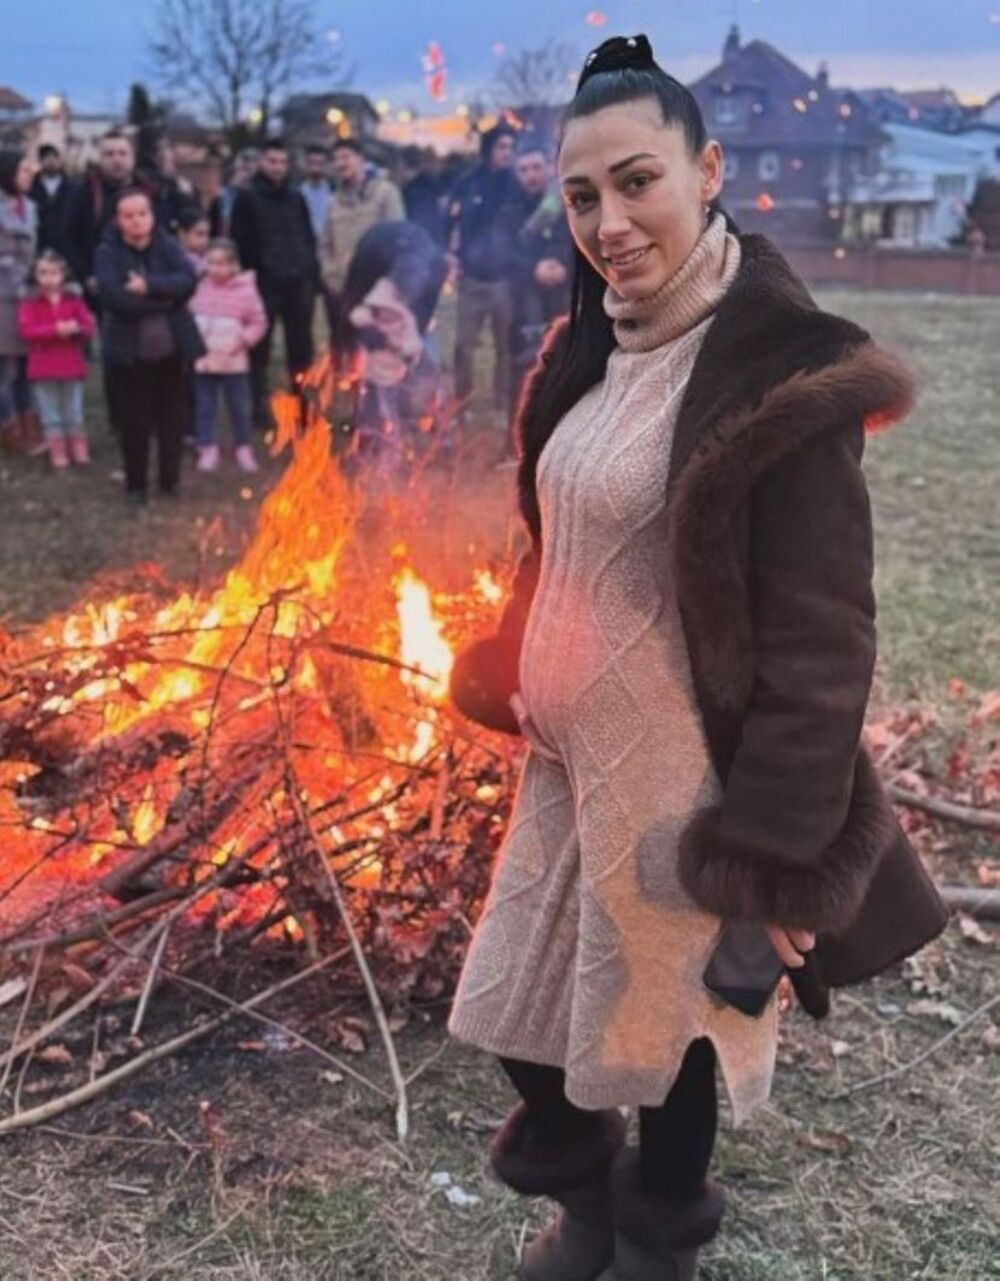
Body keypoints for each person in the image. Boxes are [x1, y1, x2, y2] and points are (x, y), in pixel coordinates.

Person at [446, 35, 947, 1281]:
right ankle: (586, 1197)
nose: (608, 224)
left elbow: (824, 644)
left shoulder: (780, 376)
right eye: (581, 197)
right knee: (518, 1011)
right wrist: (513, 658)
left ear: (708, 170)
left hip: (683, 787)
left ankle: (650, 1236)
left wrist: (769, 864)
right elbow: (560, 539)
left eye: (637, 182)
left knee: (663, 1042)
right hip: (566, 771)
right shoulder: (592, 348)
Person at [95, 188, 204, 504]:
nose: (136, 221)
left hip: (173, 351)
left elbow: (188, 281)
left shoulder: (167, 245)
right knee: (135, 422)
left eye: (142, 214)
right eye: (128, 216)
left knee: (173, 420)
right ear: (117, 220)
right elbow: (115, 297)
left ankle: (170, 481)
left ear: (152, 216)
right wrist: (166, 301)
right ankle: (136, 485)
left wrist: (150, 286)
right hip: (130, 355)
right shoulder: (107, 252)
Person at [337, 220, 448, 481]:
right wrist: (367, 334)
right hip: (373, 324)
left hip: (404, 334)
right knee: (370, 386)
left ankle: (428, 427)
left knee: (422, 374)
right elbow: (352, 306)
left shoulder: (435, 266)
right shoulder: (371, 257)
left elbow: (423, 314)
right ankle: (366, 436)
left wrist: (406, 344)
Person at [231, 138, 316, 429]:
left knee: (301, 349)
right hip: (263, 285)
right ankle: (259, 407)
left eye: (282, 162)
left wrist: (308, 270)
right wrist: (252, 277)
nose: (278, 168)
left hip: (297, 284)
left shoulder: (296, 197)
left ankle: (302, 404)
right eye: (272, 161)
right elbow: (239, 242)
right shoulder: (247, 198)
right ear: (261, 162)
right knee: (260, 351)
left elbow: (307, 236)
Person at [447, 121, 518, 418]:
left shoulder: (517, 184)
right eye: (502, 147)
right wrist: (451, 255)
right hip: (472, 281)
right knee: (464, 347)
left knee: (506, 348)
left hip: (506, 282)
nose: (508, 153)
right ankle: (461, 405)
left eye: (511, 147)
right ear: (488, 149)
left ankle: (503, 404)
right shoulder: (468, 183)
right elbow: (449, 221)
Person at [189, 238, 267, 473]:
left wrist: (243, 340)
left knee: (239, 407)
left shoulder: (247, 291)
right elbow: (188, 317)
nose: (215, 268)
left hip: (234, 362)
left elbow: (259, 322)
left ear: (233, 265)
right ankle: (207, 446)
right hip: (204, 361)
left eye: (221, 263)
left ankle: (243, 446)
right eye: (211, 262)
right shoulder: (198, 288)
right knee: (205, 406)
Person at [319, 139, 405, 344]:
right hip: (342, 290)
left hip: (377, 291)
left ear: (361, 159)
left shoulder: (385, 193)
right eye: (336, 159)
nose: (341, 164)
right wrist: (331, 276)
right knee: (343, 348)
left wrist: (388, 283)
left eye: (346, 157)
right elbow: (325, 245)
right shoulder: (333, 202)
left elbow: (399, 240)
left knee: (377, 349)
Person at [18, 250, 95, 468]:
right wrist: (55, 330)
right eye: (43, 273)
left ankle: (77, 445)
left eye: (54, 273)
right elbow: (27, 330)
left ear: (63, 274)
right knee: (49, 411)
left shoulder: (74, 301)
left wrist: (76, 329)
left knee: (73, 409)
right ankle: (57, 448)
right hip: (43, 366)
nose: (49, 278)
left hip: (71, 365)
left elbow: (89, 327)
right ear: (35, 275)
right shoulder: (30, 302)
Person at [63, 130, 146, 309]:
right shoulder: (83, 191)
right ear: (99, 159)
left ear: (133, 157)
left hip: (141, 284)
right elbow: (67, 238)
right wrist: (86, 276)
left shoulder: (147, 190)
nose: (117, 160)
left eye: (122, 153)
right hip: (96, 286)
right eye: (109, 154)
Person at [0, 149, 41, 455]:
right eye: (24, 170)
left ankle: (29, 423)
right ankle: (8, 425)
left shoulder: (30, 207)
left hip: (26, 294)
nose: (29, 175)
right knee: (4, 367)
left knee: (27, 364)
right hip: (2, 295)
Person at [399, 145, 447, 246]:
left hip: (421, 245)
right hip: (434, 243)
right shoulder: (428, 186)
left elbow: (417, 223)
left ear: (402, 165)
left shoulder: (417, 191)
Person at [30, 145, 73, 257]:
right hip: (38, 241)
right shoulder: (31, 185)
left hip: (66, 243)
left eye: (54, 157)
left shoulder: (73, 185)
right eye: (47, 158)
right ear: (40, 161)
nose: (51, 162)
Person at [210, 147, 258, 238]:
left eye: (252, 160)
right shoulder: (223, 193)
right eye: (244, 159)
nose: (246, 164)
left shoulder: (261, 193)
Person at [299, 143, 332, 241]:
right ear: (306, 165)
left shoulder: (335, 192)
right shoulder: (298, 193)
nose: (315, 169)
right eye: (312, 163)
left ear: (326, 165)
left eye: (319, 164)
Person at [178, 207, 210, 277]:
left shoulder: (212, 260)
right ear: (182, 234)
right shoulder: (172, 260)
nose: (205, 240)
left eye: (207, 234)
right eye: (199, 234)